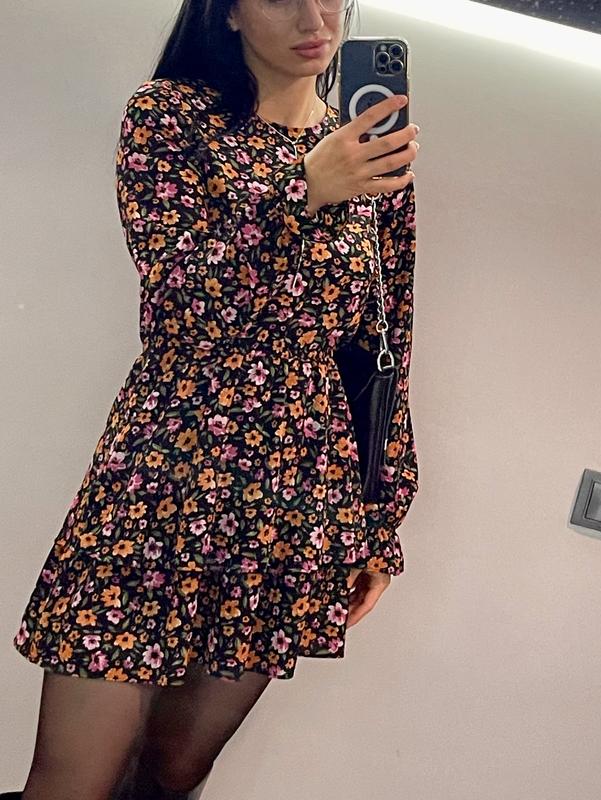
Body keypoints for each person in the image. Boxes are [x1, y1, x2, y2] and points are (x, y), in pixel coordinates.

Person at [7, 0, 420, 797]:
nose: (314, 17)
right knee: (74, 775)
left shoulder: (371, 151)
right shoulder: (170, 118)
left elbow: (384, 340)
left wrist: (382, 517)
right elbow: (180, 299)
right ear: (227, 13)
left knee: (173, 772)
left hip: (294, 492)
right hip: (162, 478)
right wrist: (303, 190)